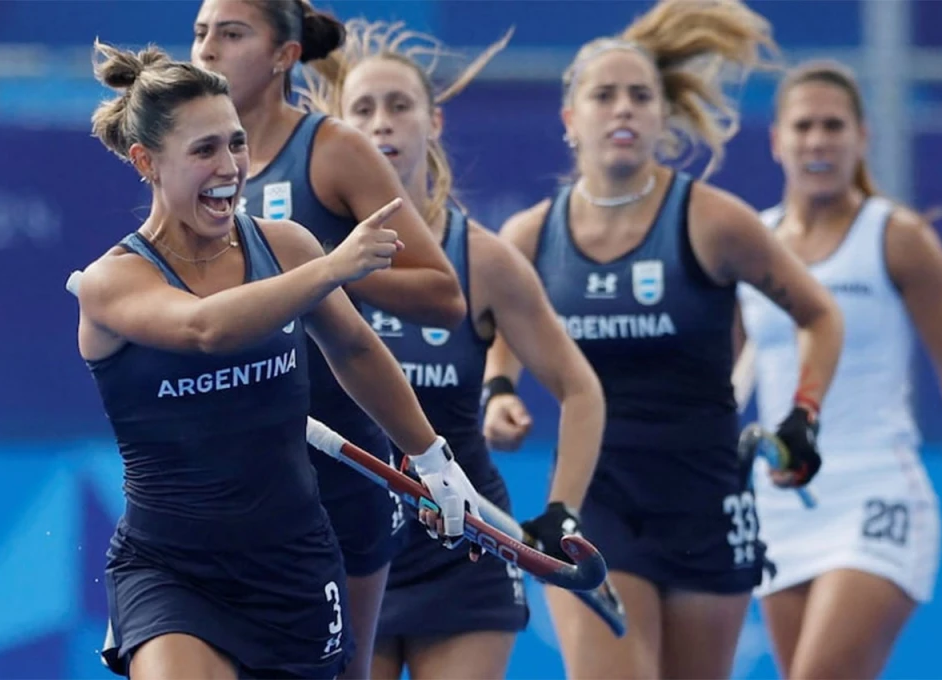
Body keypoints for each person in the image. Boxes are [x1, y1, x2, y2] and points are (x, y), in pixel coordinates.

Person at [76, 40, 483, 680]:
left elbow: (353, 348)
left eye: (235, 143)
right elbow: (205, 329)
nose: (230, 166)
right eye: (203, 149)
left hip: (293, 565)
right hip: (172, 573)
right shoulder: (111, 282)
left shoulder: (284, 245)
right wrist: (331, 268)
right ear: (146, 161)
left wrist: (433, 459)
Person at [481, 1, 847, 677]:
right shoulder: (530, 236)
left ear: (662, 118)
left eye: (640, 97)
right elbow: (503, 321)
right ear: (571, 119)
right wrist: (498, 387)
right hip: (594, 498)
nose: (623, 109)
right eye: (604, 96)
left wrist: (804, 415)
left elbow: (820, 315)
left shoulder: (712, 222)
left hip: (705, 500)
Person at [303, 20, 607, 679]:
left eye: (400, 106)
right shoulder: (306, 254)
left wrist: (560, 513)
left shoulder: (482, 260)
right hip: (348, 551)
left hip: (464, 551)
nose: (382, 125)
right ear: (338, 131)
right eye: (362, 110)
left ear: (433, 123)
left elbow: (580, 389)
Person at [189, 3, 469, 676]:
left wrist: (326, 272)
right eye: (200, 32)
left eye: (231, 33)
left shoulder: (334, 150)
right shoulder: (186, 158)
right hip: (228, 465)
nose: (206, 49)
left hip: (341, 464)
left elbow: (443, 293)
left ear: (284, 56)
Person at [735, 59, 942, 679]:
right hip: (780, 502)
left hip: (877, 490)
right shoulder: (752, 242)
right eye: (803, 126)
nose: (817, 141)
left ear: (861, 138)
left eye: (833, 126)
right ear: (777, 139)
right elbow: (716, 385)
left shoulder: (897, 236)